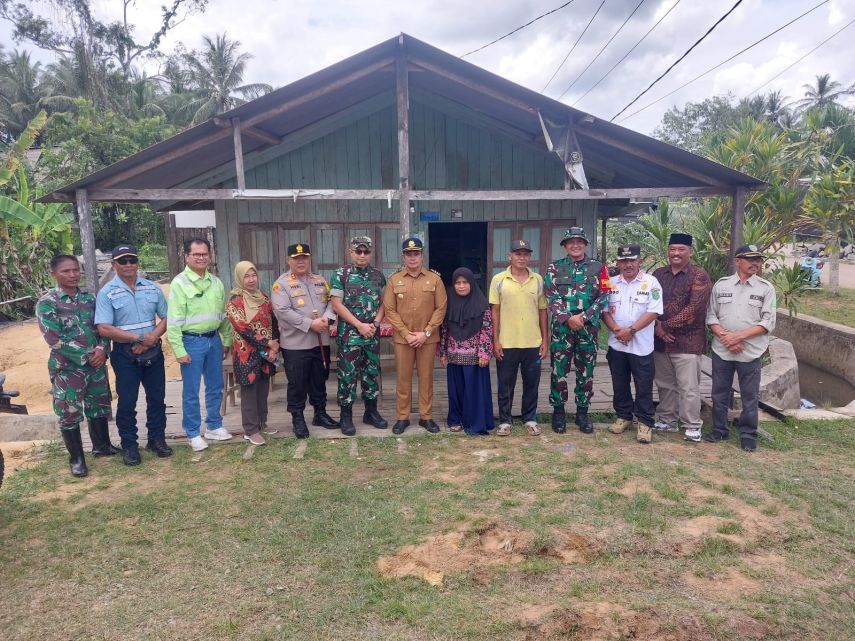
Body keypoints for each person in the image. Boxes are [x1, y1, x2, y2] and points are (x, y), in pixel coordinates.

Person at [36, 255, 114, 477]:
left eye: (75, 270)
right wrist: (87, 355)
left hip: (96, 365)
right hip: (67, 368)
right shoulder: (48, 303)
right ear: (54, 274)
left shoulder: (90, 298)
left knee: (98, 405)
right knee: (69, 412)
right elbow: (53, 338)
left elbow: (103, 327)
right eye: (66, 271)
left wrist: (102, 349)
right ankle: (77, 458)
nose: (72, 275)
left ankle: (102, 446)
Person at [95, 244, 171, 465]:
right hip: (125, 354)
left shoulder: (152, 288)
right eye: (122, 261)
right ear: (113, 265)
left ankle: (157, 439)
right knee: (127, 402)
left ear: (137, 263)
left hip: (153, 351)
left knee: (157, 399)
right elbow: (104, 328)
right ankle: (129, 445)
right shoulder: (107, 293)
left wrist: (151, 339)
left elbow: (167, 317)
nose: (128, 265)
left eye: (132, 260)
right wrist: (138, 339)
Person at [705, 245, 777, 452]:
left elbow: (767, 322)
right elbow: (711, 316)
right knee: (719, 392)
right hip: (722, 349)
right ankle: (719, 430)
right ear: (738, 261)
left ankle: (748, 434)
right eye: (750, 259)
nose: (755, 263)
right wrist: (726, 338)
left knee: (749, 395)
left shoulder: (765, 288)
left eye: (758, 260)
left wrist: (737, 337)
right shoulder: (722, 285)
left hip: (750, 351)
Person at [167, 238, 234, 452]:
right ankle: (193, 432)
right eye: (197, 254)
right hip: (191, 342)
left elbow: (221, 315)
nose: (202, 257)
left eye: (205, 254)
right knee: (191, 390)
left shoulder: (216, 282)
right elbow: (174, 320)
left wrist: (227, 339)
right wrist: (178, 349)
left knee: (215, 386)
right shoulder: (179, 283)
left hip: (214, 340)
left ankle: (214, 425)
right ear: (187, 256)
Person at [544, 227, 609, 434]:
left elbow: (605, 295)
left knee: (586, 372)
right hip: (562, 330)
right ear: (565, 246)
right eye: (570, 242)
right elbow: (550, 295)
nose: (575, 245)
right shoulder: (554, 268)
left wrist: (585, 316)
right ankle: (559, 412)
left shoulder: (599, 268)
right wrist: (567, 317)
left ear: (585, 245)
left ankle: (582, 412)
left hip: (588, 330)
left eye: (579, 241)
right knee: (559, 371)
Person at [271, 243, 337, 438]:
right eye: (296, 258)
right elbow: (282, 311)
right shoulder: (281, 284)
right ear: (288, 260)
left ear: (309, 259)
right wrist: (310, 324)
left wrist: (327, 318)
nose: (301, 261)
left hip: (320, 342)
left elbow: (332, 303)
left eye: (304, 257)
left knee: (319, 380)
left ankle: (320, 413)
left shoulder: (320, 281)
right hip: (296, 344)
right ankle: (297, 418)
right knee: (297, 383)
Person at [383, 237, 448, 435]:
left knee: (426, 378)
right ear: (403, 256)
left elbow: (441, 307)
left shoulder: (434, 279)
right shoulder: (394, 279)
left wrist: (426, 331)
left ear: (422, 255)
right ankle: (402, 417)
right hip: (404, 339)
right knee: (403, 379)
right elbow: (389, 309)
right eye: (409, 254)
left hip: (427, 338)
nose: (413, 257)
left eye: (416, 253)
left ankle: (426, 417)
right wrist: (405, 333)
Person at [651, 233, 712, 443]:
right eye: (672, 249)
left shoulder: (699, 275)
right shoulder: (658, 275)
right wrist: (656, 326)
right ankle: (668, 420)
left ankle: (692, 425)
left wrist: (663, 326)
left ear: (690, 252)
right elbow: (649, 303)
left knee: (688, 387)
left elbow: (694, 309)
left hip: (688, 342)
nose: (676, 253)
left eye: (681, 249)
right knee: (665, 384)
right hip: (661, 342)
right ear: (668, 250)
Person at [601, 245, 663, 444]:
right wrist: (619, 331)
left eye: (632, 260)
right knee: (620, 383)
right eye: (623, 261)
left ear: (639, 261)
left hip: (641, 346)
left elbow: (653, 311)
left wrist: (631, 331)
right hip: (617, 344)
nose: (628, 264)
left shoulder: (651, 283)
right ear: (618, 263)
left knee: (643, 384)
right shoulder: (610, 283)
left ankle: (645, 422)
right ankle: (624, 416)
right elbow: (604, 311)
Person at [488, 239, 548, 437]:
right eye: (517, 254)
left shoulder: (538, 279)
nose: (522, 258)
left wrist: (545, 340)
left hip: (532, 342)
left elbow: (542, 311)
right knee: (505, 384)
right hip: (507, 342)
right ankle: (505, 421)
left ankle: (530, 418)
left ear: (529, 256)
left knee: (532, 383)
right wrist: (496, 340)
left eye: (525, 254)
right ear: (510, 256)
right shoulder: (498, 280)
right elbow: (494, 312)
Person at [329, 236, 388, 436]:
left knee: (371, 374)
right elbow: (337, 304)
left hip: (372, 334)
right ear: (350, 252)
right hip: (349, 336)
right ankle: (346, 416)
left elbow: (384, 303)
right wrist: (359, 325)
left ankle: (371, 412)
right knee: (348, 376)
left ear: (371, 253)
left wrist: (376, 323)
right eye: (358, 251)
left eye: (366, 252)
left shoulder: (378, 276)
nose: (362, 255)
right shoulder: (341, 274)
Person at [226, 261, 279, 446]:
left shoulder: (263, 297)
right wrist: (267, 343)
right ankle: (250, 430)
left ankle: (262, 424)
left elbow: (273, 322)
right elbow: (243, 329)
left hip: (266, 353)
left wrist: (274, 346)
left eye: (253, 275)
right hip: (245, 354)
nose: (250, 280)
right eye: (246, 276)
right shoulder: (235, 302)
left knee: (263, 389)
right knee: (249, 391)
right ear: (240, 278)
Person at [439, 268, 494, 436]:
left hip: (475, 357)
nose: (461, 286)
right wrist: (443, 352)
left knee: (473, 390)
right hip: (453, 355)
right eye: (457, 283)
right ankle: (456, 419)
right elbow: (444, 329)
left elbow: (487, 329)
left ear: (471, 283)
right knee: (455, 390)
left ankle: (475, 422)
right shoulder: (448, 304)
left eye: (465, 282)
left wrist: (484, 353)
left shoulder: (481, 303)